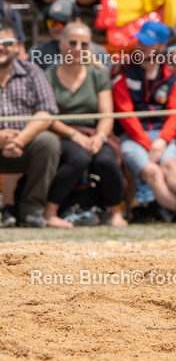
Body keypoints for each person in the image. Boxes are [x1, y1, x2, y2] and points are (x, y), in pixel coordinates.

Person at [113, 21, 176, 223]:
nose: (141, 46)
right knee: (154, 172)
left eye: (147, 43)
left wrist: (162, 141)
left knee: (172, 167)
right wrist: (148, 144)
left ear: (161, 47)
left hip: (162, 137)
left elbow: (174, 114)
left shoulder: (170, 78)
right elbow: (125, 114)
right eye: (140, 42)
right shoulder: (123, 72)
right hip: (132, 138)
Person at [45, 23, 127, 227]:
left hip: (94, 133)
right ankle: (50, 213)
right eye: (73, 43)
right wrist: (74, 135)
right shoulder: (49, 77)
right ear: (62, 45)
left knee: (107, 160)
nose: (78, 48)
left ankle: (116, 212)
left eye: (84, 44)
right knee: (78, 158)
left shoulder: (98, 76)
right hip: (62, 134)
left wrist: (99, 138)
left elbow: (107, 115)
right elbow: (47, 116)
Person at [0, 18, 61, 229]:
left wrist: (20, 139)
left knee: (49, 142)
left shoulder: (32, 71)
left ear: (17, 46)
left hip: (26, 143)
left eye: (7, 42)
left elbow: (47, 111)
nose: (1, 47)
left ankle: (31, 210)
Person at [27, 0, 110, 70]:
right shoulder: (37, 53)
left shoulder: (98, 53)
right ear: (61, 46)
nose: (56, 28)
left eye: (62, 23)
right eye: (51, 23)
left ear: (77, 22)